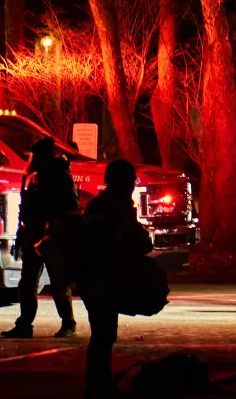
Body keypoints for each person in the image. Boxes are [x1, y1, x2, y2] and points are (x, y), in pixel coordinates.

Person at [78, 159, 154, 399]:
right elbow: (134, 242)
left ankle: (98, 385)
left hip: (93, 278)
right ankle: (98, 388)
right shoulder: (115, 207)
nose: (133, 186)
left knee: (102, 334)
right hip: (102, 279)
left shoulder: (99, 205)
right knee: (103, 334)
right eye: (131, 181)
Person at [2, 137, 80, 339]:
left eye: (33, 156)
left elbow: (70, 207)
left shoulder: (59, 176)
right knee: (27, 283)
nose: (29, 160)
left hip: (51, 238)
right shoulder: (39, 177)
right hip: (33, 235)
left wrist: (50, 230)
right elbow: (27, 211)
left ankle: (68, 323)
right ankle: (24, 325)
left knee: (59, 283)